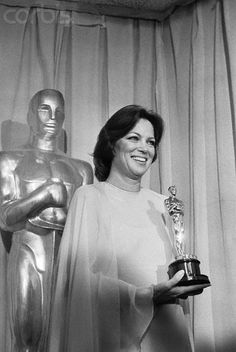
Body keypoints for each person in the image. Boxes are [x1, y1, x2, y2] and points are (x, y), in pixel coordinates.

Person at [48, 105, 210, 352]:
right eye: (133, 138)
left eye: (151, 142)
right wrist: (147, 295)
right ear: (112, 144)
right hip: (115, 339)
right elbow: (81, 286)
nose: (144, 148)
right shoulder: (89, 197)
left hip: (168, 331)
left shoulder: (162, 204)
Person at [0, 89, 93, 351]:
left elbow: (85, 224)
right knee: (28, 336)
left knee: (68, 339)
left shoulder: (81, 169)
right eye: (45, 109)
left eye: (59, 111)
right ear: (31, 116)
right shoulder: (9, 161)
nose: (53, 117)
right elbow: (6, 217)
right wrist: (42, 196)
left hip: (68, 259)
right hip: (28, 252)